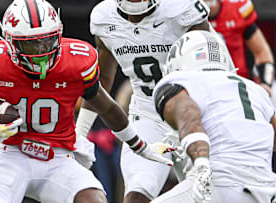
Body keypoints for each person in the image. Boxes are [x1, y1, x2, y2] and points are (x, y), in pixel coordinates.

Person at [0, 0, 176, 202]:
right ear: (10, 43)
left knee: (95, 199)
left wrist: (140, 146)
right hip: (12, 154)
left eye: (47, 41)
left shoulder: (77, 61)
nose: (41, 51)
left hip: (59, 157)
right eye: (31, 44)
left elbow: (108, 108)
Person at [75, 0, 212, 202]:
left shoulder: (181, 8)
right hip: (149, 113)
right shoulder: (105, 18)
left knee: (207, 193)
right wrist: (80, 134)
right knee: (138, 192)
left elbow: (212, 67)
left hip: (193, 111)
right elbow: (101, 82)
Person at [151, 30, 276, 203]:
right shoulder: (257, 91)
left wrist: (202, 164)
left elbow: (188, 115)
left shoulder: (184, 80)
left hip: (220, 182)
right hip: (267, 190)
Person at [204, 0, 275, 95]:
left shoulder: (238, 9)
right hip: (204, 88)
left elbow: (262, 52)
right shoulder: (183, 15)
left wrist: (265, 83)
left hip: (240, 87)